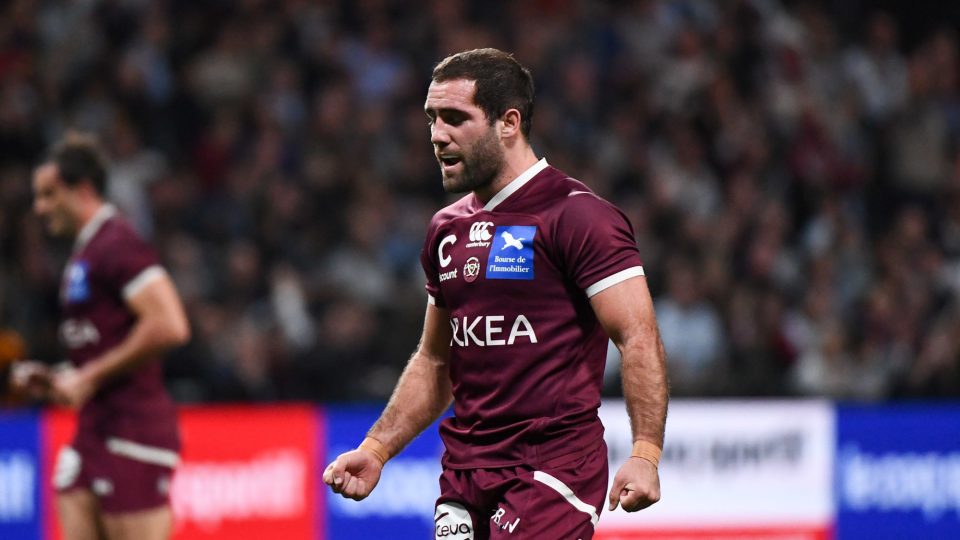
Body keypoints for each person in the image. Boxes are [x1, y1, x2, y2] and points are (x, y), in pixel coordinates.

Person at [323, 48, 668, 539]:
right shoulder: (446, 229)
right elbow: (437, 359)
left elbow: (637, 335)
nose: (437, 134)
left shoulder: (579, 216)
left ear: (508, 123)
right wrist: (377, 448)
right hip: (464, 475)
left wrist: (645, 453)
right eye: (432, 118)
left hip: (553, 467)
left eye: (455, 118)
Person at [9, 133, 190, 540]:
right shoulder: (86, 252)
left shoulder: (118, 243)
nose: (40, 208)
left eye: (49, 195)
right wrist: (59, 377)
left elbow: (170, 324)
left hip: (133, 431)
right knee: (67, 490)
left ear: (83, 189)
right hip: (94, 428)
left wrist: (88, 377)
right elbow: (100, 348)